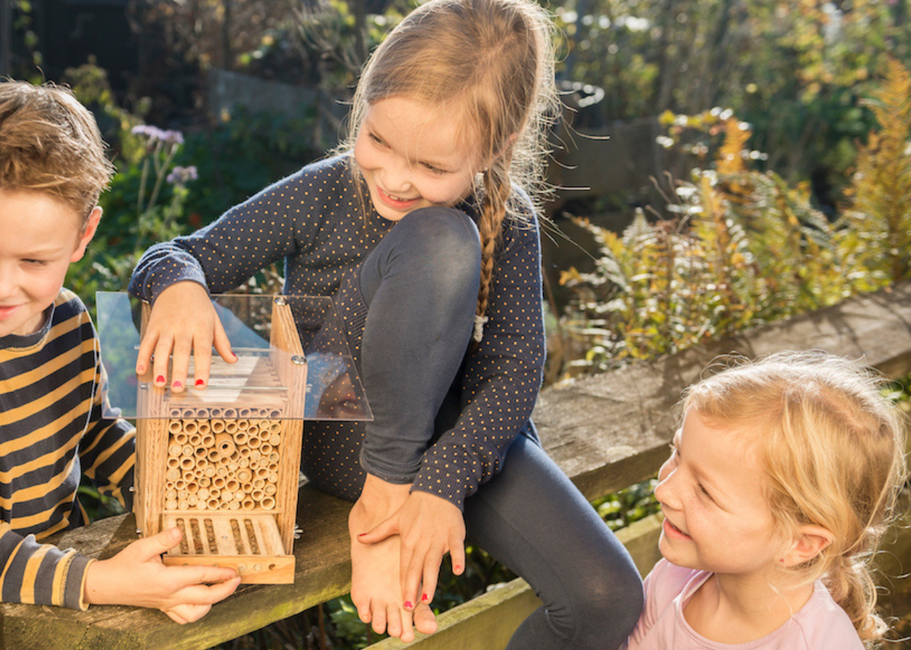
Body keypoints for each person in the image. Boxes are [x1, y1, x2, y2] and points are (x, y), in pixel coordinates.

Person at [128, 0, 643, 645]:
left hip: (452, 442)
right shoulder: (323, 191)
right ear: (361, 105)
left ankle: (396, 493)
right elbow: (174, 255)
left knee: (607, 598)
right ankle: (381, 501)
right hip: (337, 429)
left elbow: (513, 370)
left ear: (498, 147)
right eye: (378, 140)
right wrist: (178, 288)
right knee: (441, 240)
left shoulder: (510, 222)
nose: (395, 178)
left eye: (431, 167)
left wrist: (444, 481)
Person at [0, 78, 240, 650]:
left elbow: (94, 431)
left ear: (84, 233)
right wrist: (108, 581)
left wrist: (164, 489)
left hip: (46, 605)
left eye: (34, 260)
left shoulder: (68, 321)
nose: (1, 286)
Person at [625, 351, 905, 649]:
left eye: (705, 491)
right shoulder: (672, 577)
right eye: (678, 453)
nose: (663, 491)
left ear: (800, 544)